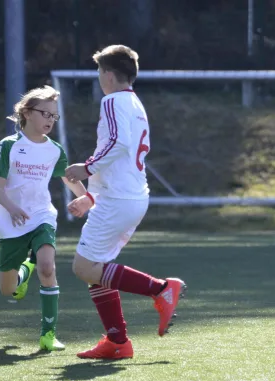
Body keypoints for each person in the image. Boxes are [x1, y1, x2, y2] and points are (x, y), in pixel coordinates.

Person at [64, 45, 186, 360]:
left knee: (84, 266)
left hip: (120, 199)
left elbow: (119, 143)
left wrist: (86, 168)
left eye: (98, 72)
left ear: (107, 74)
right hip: (126, 195)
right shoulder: (134, 102)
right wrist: (92, 195)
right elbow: (124, 154)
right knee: (96, 267)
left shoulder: (112, 100)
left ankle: (161, 289)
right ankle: (117, 342)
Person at [0, 85, 88, 351]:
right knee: (7, 289)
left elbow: (69, 180)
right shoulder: (9, 146)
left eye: (53, 116)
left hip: (42, 215)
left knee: (48, 267)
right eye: (44, 113)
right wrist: (12, 208)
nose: (49, 120)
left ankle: (48, 334)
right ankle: (24, 271)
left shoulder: (55, 150)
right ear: (27, 113)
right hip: (11, 219)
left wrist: (87, 198)